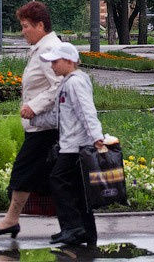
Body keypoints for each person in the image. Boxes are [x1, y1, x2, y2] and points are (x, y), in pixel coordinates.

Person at [0, 1, 62, 239]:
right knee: (52, 180)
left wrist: (34, 107)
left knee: (22, 172)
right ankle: (71, 226)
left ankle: (11, 221)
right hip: (41, 125)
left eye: (26, 26)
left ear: (40, 25)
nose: (23, 31)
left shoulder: (50, 50)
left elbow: (59, 84)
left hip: (46, 126)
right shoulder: (42, 47)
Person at [31, 41, 103, 247]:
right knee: (80, 191)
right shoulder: (68, 82)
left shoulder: (75, 82)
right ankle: (87, 233)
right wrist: (33, 119)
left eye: (55, 61)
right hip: (71, 145)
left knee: (57, 180)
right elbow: (58, 117)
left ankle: (72, 228)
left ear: (69, 61)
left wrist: (96, 137)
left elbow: (86, 111)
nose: (52, 66)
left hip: (76, 147)